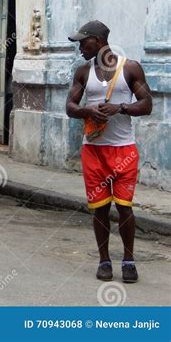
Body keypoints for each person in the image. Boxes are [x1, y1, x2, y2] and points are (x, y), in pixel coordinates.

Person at [66, 21, 152, 283]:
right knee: (99, 209)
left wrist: (121, 108)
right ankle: (104, 260)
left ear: (98, 41)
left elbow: (147, 103)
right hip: (93, 151)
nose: (80, 47)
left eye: (83, 41)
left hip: (123, 150)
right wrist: (86, 111)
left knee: (124, 208)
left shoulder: (130, 68)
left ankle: (128, 260)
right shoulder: (83, 71)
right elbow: (70, 106)